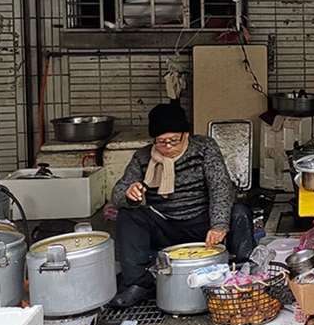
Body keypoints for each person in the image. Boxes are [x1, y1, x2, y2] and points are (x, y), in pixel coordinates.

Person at [109, 102, 256, 308]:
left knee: (239, 212)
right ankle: (138, 285)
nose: (168, 147)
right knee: (128, 216)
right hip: (165, 223)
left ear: (186, 135)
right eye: (161, 142)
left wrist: (219, 225)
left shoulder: (204, 148)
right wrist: (128, 193)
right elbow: (117, 194)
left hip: (203, 222)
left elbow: (221, 187)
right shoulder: (142, 157)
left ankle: (245, 272)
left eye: (174, 141)